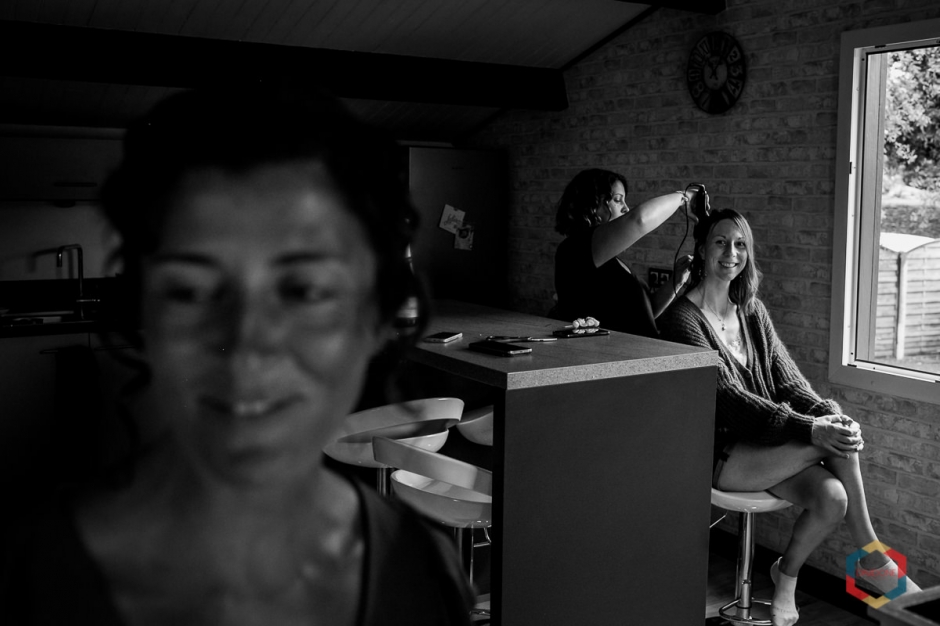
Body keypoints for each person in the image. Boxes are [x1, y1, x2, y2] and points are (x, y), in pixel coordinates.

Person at [0, 88, 473, 625]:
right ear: (143, 314)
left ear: (375, 321)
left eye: (304, 290)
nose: (247, 350)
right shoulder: (28, 584)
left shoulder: (421, 575)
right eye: (192, 292)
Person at [658, 209, 921, 626]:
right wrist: (814, 428)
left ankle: (787, 576)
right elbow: (730, 400)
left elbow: (790, 384)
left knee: (833, 498)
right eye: (721, 242)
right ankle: (873, 557)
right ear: (702, 249)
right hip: (720, 453)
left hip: (769, 447)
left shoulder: (752, 312)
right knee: (832, 438)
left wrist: (830, 415)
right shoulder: (681, 320)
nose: (731, 253)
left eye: (740, 244)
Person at [553, 168, 700, 337]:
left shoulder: (609, 260)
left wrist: (676, 281)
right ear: (592, 205)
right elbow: (639, 219)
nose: (626, 208)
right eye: (617, 200)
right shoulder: (574, 249)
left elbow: (643, 315)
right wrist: (684, 197)